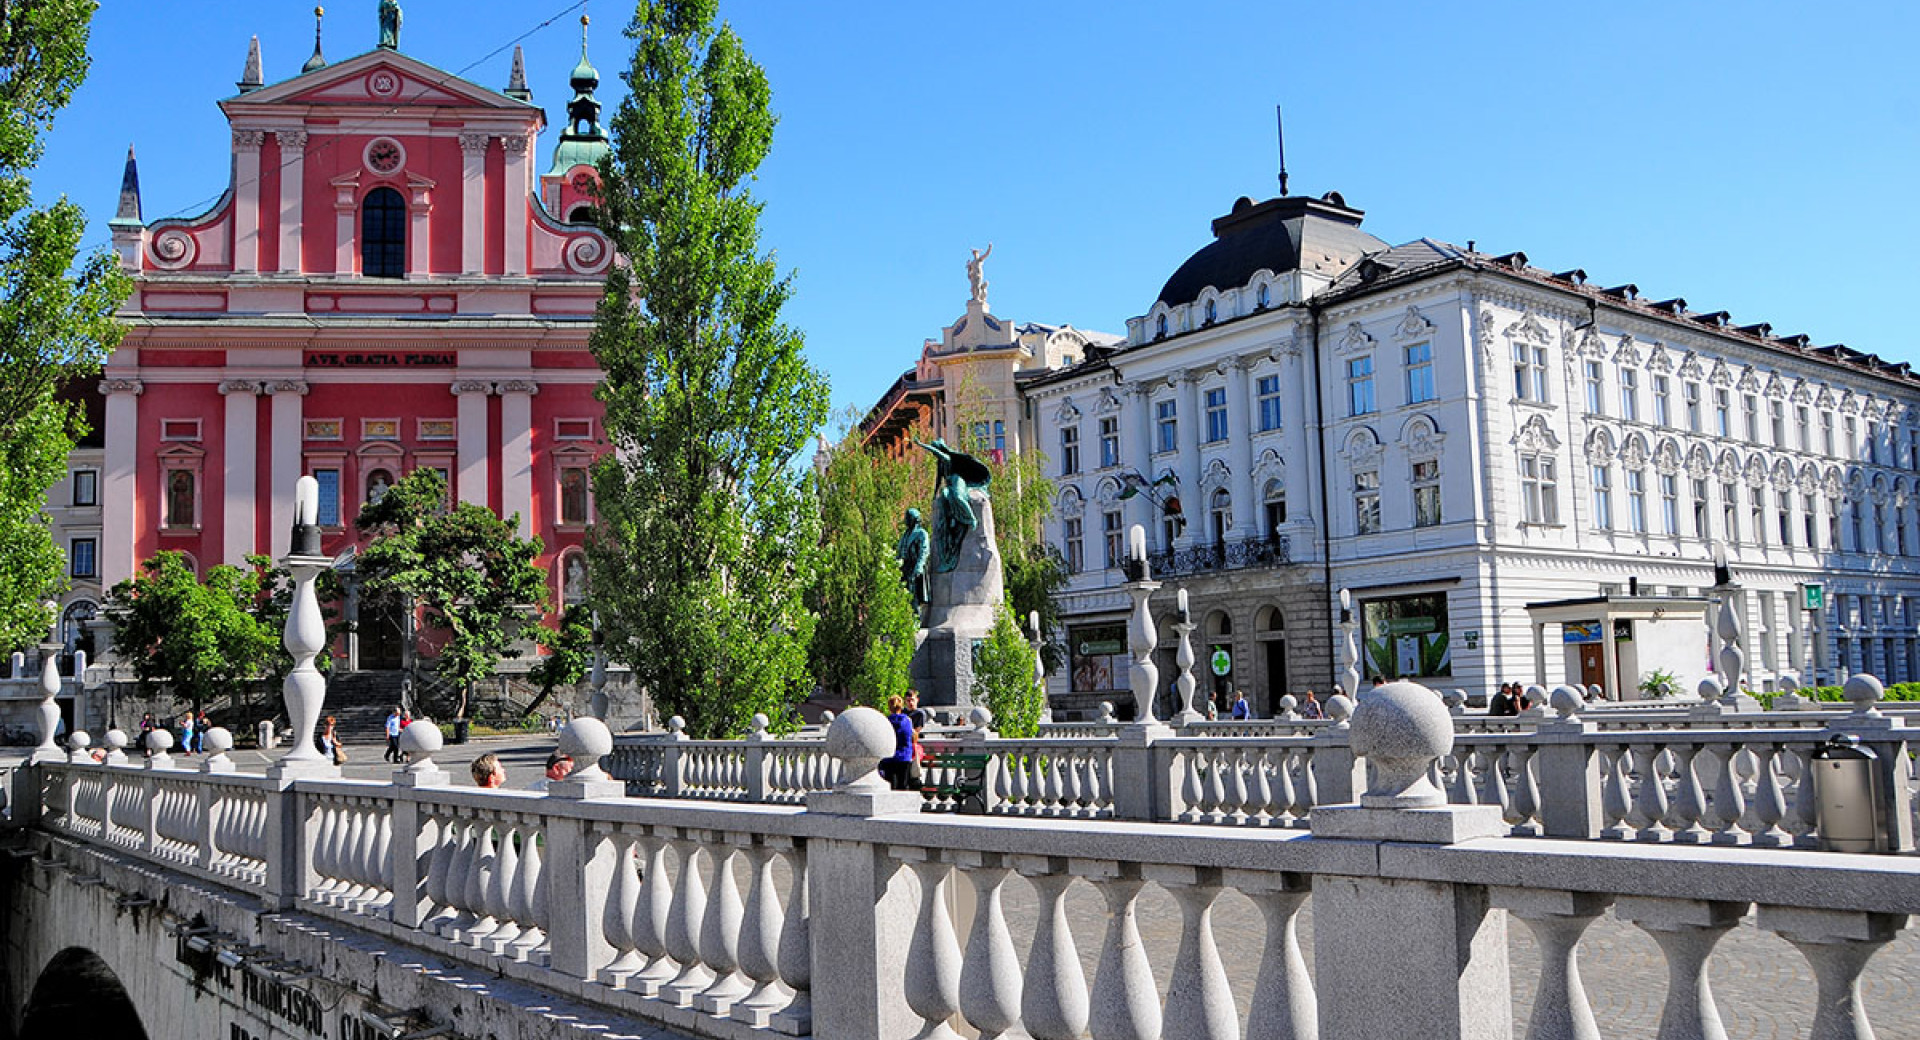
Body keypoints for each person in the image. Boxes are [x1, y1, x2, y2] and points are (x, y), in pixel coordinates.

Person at [879, 695, 917, 791]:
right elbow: (912, 737)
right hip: (904, 756)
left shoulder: (886, 721)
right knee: (903, 785)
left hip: (889, 757)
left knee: (890, 785)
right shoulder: (907, 720)